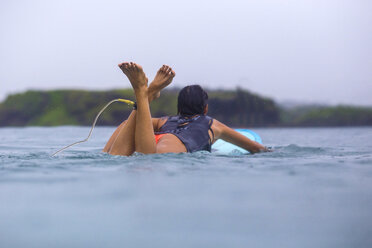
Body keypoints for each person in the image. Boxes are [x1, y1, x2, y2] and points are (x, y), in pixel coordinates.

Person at [103, 62, 268, 155]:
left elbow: (129, 124)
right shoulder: (212, 124)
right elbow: (255, 148)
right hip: (168, 146)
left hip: (153, 138)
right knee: (146, 161)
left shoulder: (164, 120)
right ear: (205, 109)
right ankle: (142, 92)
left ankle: (145, 96)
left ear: (179, 108)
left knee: (113, 155)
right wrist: (271, 151)